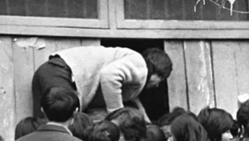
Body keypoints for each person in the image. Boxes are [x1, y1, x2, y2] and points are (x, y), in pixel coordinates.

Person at [31, 46, 172, 121]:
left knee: (42, 127)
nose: (157, 86)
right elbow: (109, 75)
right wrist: (117, 116)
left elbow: (131, 97)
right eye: (160, 80)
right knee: (65, 129)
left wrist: (146, 120)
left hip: (49, 71)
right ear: (157, 71)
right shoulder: (141, 66)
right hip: (62, 74)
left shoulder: (132, 67)